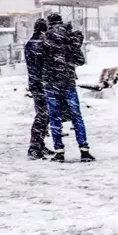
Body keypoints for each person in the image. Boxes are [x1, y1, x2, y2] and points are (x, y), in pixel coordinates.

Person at [40, 13, 95, 162]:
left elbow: (39, 61)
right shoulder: (70, 38)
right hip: (68, 83)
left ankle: (59, 152)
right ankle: (84, 151)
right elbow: (80, 60)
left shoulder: (44, 39)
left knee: (54, 117)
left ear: (49, 23)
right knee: (76, 117)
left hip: (51, 84)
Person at [24, 18, 52, 160]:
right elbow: (43, 63)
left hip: (36, 83)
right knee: (42, 115)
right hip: (40, 84)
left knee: (43, 115)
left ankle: (39, 144)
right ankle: (34, 147)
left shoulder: (32, 43)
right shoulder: (38, 44)